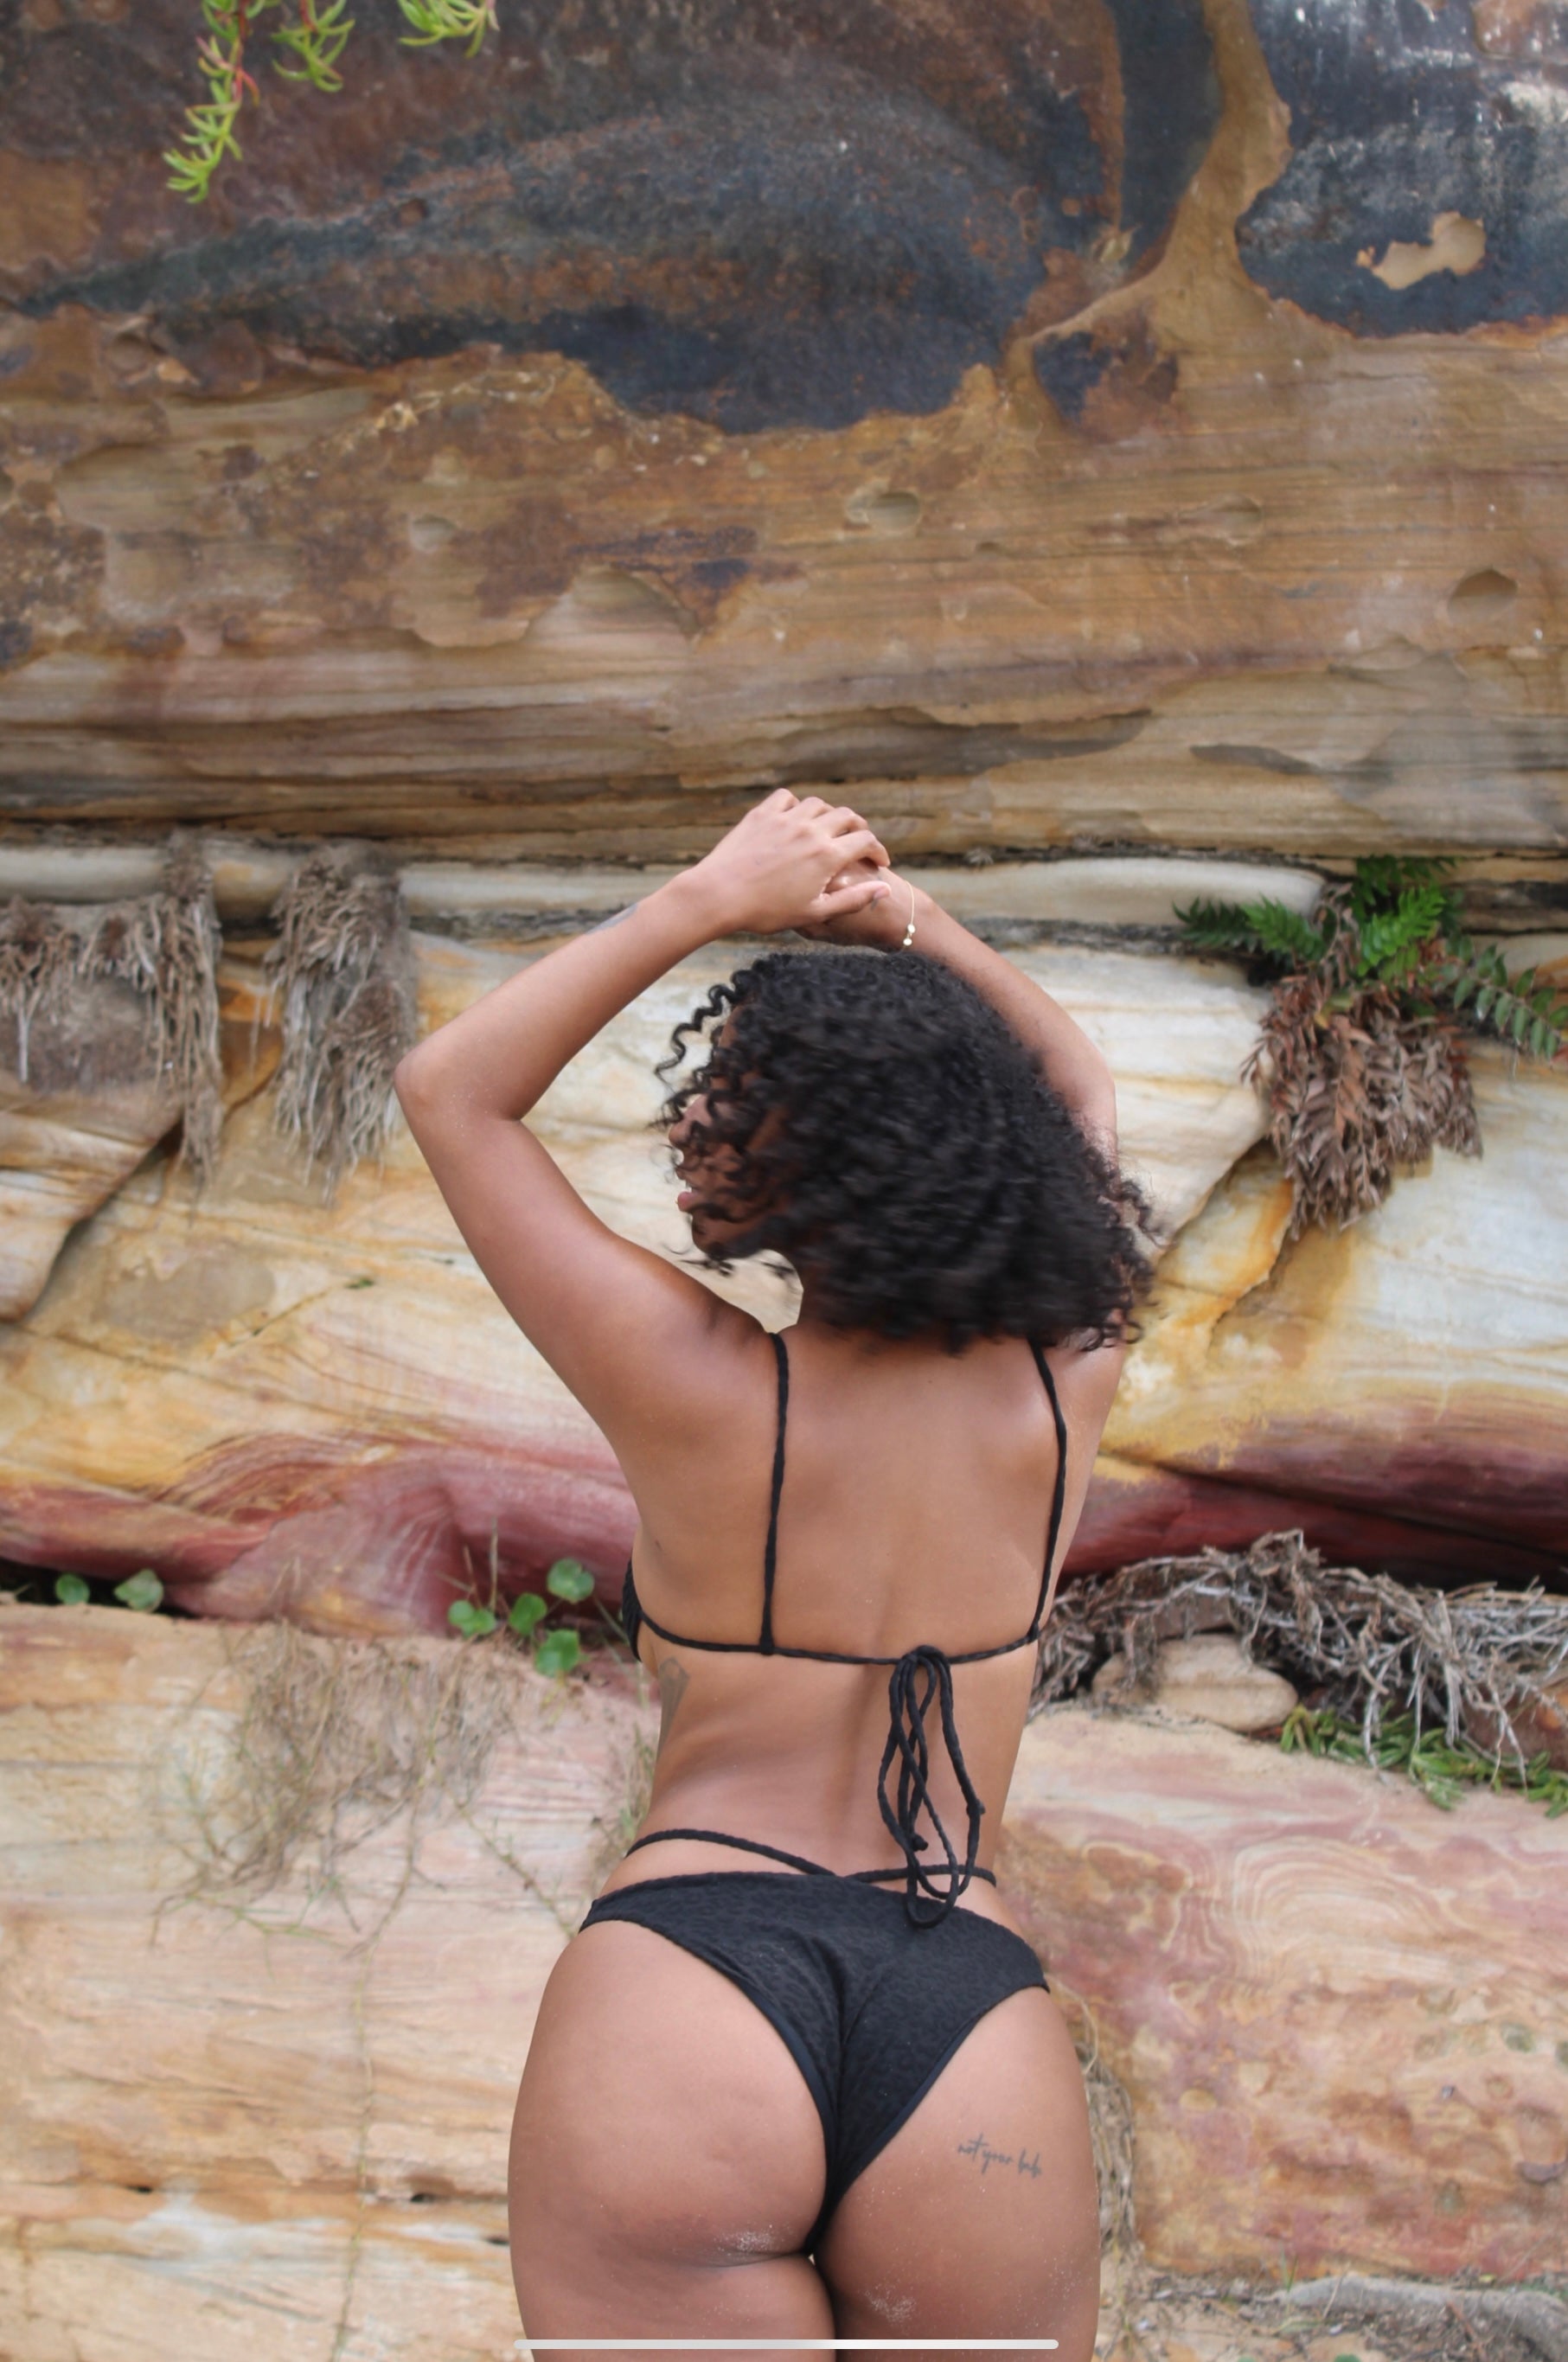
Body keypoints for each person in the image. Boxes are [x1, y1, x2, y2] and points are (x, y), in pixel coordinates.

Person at [394, 790, 1149, 2354]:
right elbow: (1076, 1079)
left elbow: (455, 1091)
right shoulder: (1063, 1380)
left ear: (817, 1157)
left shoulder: (697, 1385)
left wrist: (713, 897)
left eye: (732, 1099)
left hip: (693, 1983)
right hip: (961, 2011)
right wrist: (905, 922)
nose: (695, 1126)